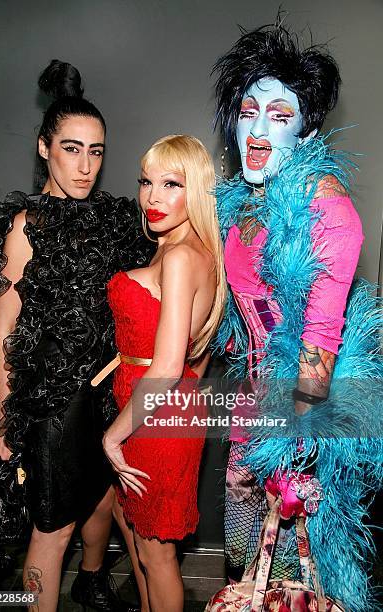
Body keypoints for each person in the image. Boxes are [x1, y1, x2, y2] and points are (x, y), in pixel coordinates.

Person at [211, 20, 383, 611]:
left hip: (298, 428)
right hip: (248, 412)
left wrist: (297, 449)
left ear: (307, 132)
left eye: (278, 115)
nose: (257, 130)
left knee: (292, 585)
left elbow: (319, 344)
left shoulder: (327, 210)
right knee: (244, 562)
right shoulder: (242, 205)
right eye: (247, 110)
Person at [0, 60, 154, 611]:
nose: (85, 165)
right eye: (71, 148)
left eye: (96, 151)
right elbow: (3, 330)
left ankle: (93, 579)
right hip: (52, 403)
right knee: (51, 532)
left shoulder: (115, 220)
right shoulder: (27, 225)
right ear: (43, 147)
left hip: (106, 392)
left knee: (101, 503)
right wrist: (8, 421)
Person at [99, 134, 227, 612]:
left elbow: (171, 367)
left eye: (171, 184)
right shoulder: (189, 249)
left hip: (157, 415)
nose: (152, 197)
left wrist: (112, 437)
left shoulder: (178, 256)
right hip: (161, 409)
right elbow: (197, 357)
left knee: (157, 553)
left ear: (195, 189)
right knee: (136, 528)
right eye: (146, 182)